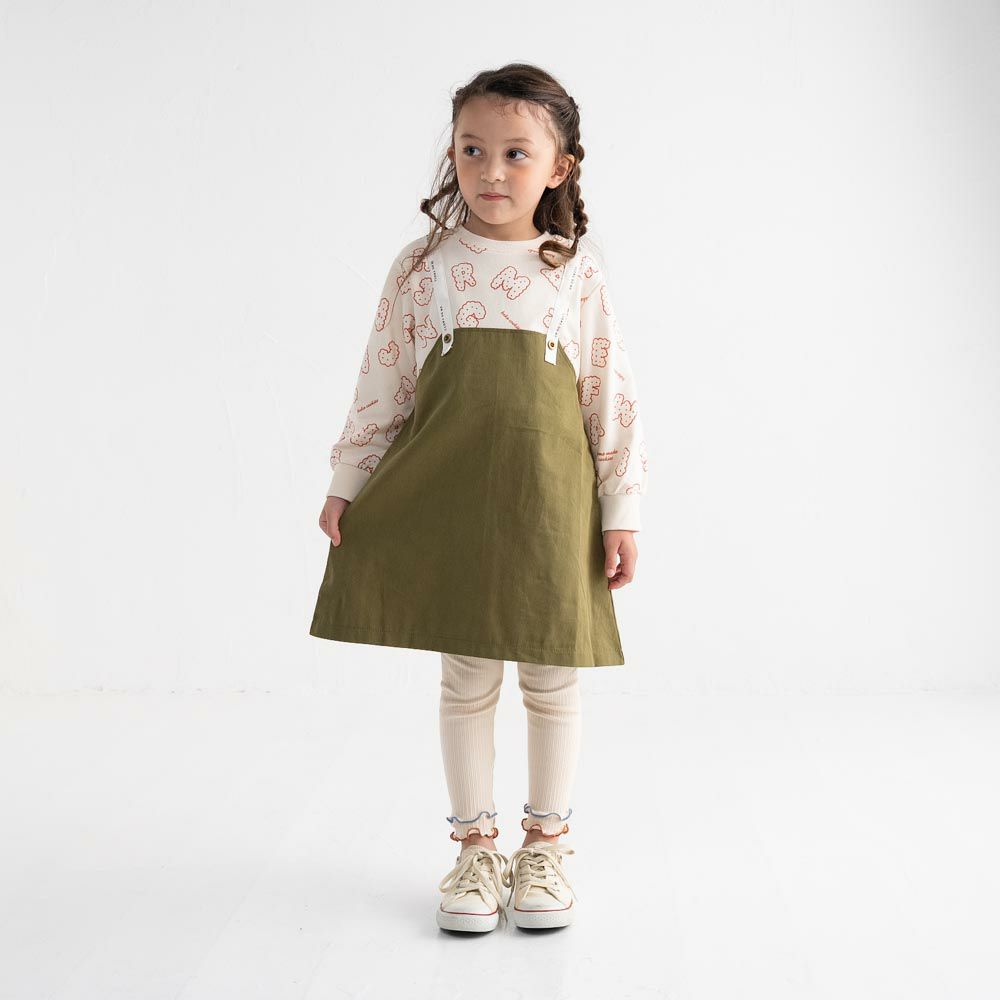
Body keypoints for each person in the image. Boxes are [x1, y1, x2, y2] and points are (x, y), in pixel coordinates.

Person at [309, 63, 648, 933]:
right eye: (471, 150)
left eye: (515, 153)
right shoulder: (423, 267)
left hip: (552, 509)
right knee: (466, 678)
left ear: (559, 167)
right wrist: (349, 481)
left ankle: (546, 846)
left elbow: (607, 395)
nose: (490, 171)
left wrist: (621, 511)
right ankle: (473, 851)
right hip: (452, 499)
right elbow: (383, 382)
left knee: (552, 674)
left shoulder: (574, 271)